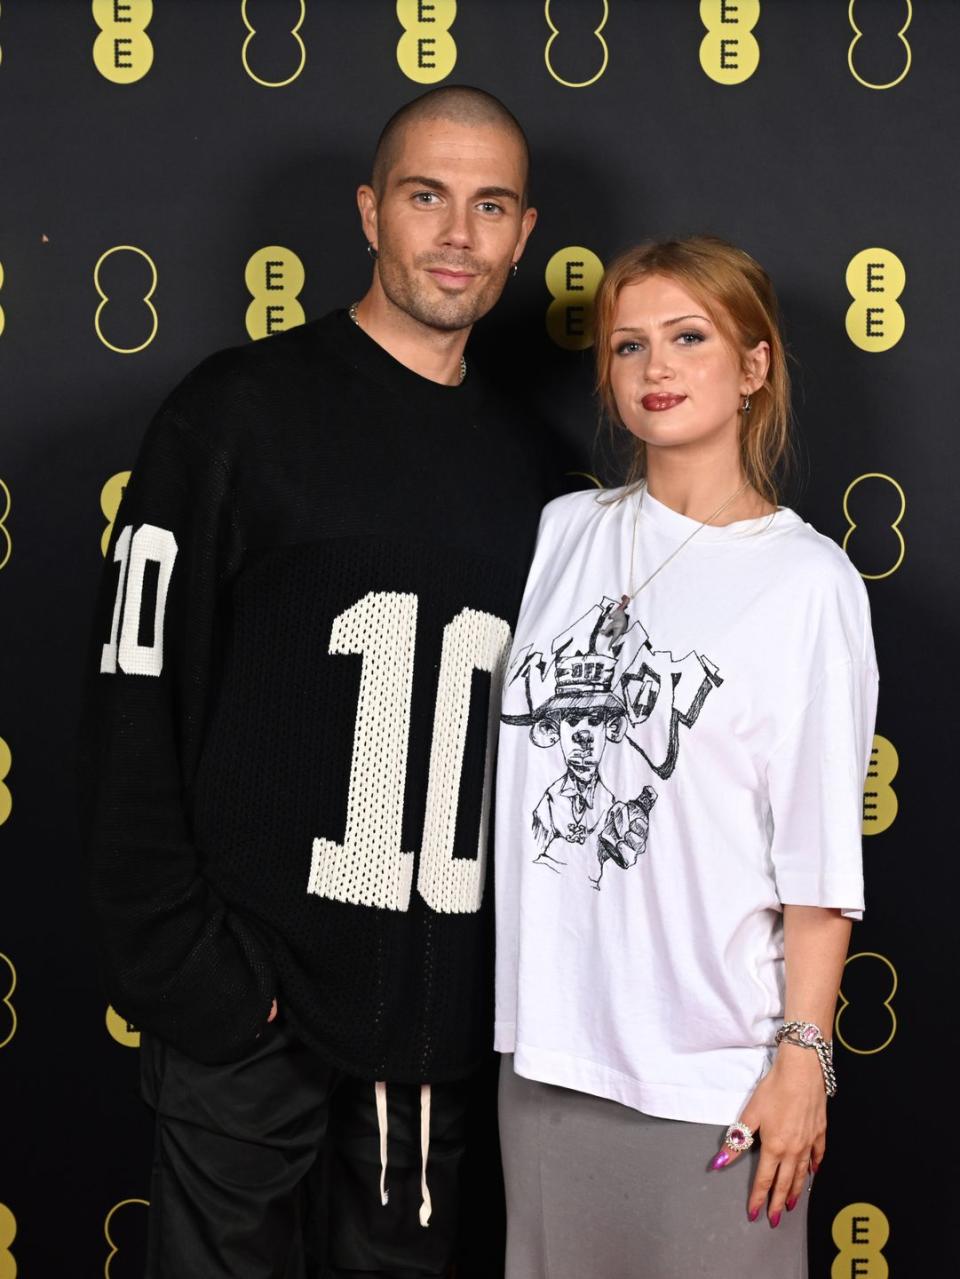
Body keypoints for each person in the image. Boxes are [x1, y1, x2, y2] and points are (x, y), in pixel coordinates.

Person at [79, 85, 544, 1278]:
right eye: (426, 196)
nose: (456, 233)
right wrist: (202, 982)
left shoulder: (546, 476)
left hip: (433, 1035)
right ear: (368, 212)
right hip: (254, 1016)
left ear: (524, 235)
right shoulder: (234, 415)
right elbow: (135, 705)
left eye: (489, 206)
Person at [494, 236, 879, 1278]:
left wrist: (803, 1056)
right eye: (628, 346)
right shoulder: (564, 534)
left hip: (712, 1072)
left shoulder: (807, 583)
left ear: (753, 365)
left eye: (688, 337)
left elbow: (816, 856)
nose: (655, 368)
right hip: (548, 1064)